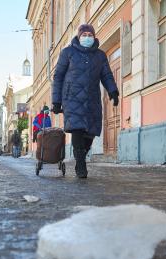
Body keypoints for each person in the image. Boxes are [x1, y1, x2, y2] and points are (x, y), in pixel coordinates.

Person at [51, 24, 119, 178]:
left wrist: (113, 91)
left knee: (91, 131)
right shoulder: (68, 52)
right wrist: (56, 101)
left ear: (94, 37)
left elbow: (106, 75)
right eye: (84, 34)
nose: (87, 37)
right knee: (77, 129)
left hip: (92, 98)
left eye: (90, 34)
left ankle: (80, 158)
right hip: (72, 98)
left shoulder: (100, 55)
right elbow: (58, 76)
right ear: (79, 36)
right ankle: (81, 165)